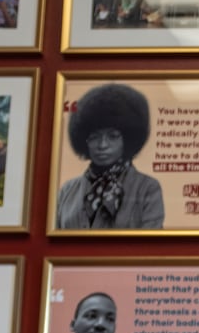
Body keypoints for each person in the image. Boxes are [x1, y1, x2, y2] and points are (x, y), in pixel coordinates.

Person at [55, 83, 165, 230]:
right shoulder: (67, 191)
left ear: (127, 139)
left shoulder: (147, 188)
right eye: (94, 137)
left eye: (113, 136)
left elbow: (151, 246)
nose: (102, 145)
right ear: (83, 140)